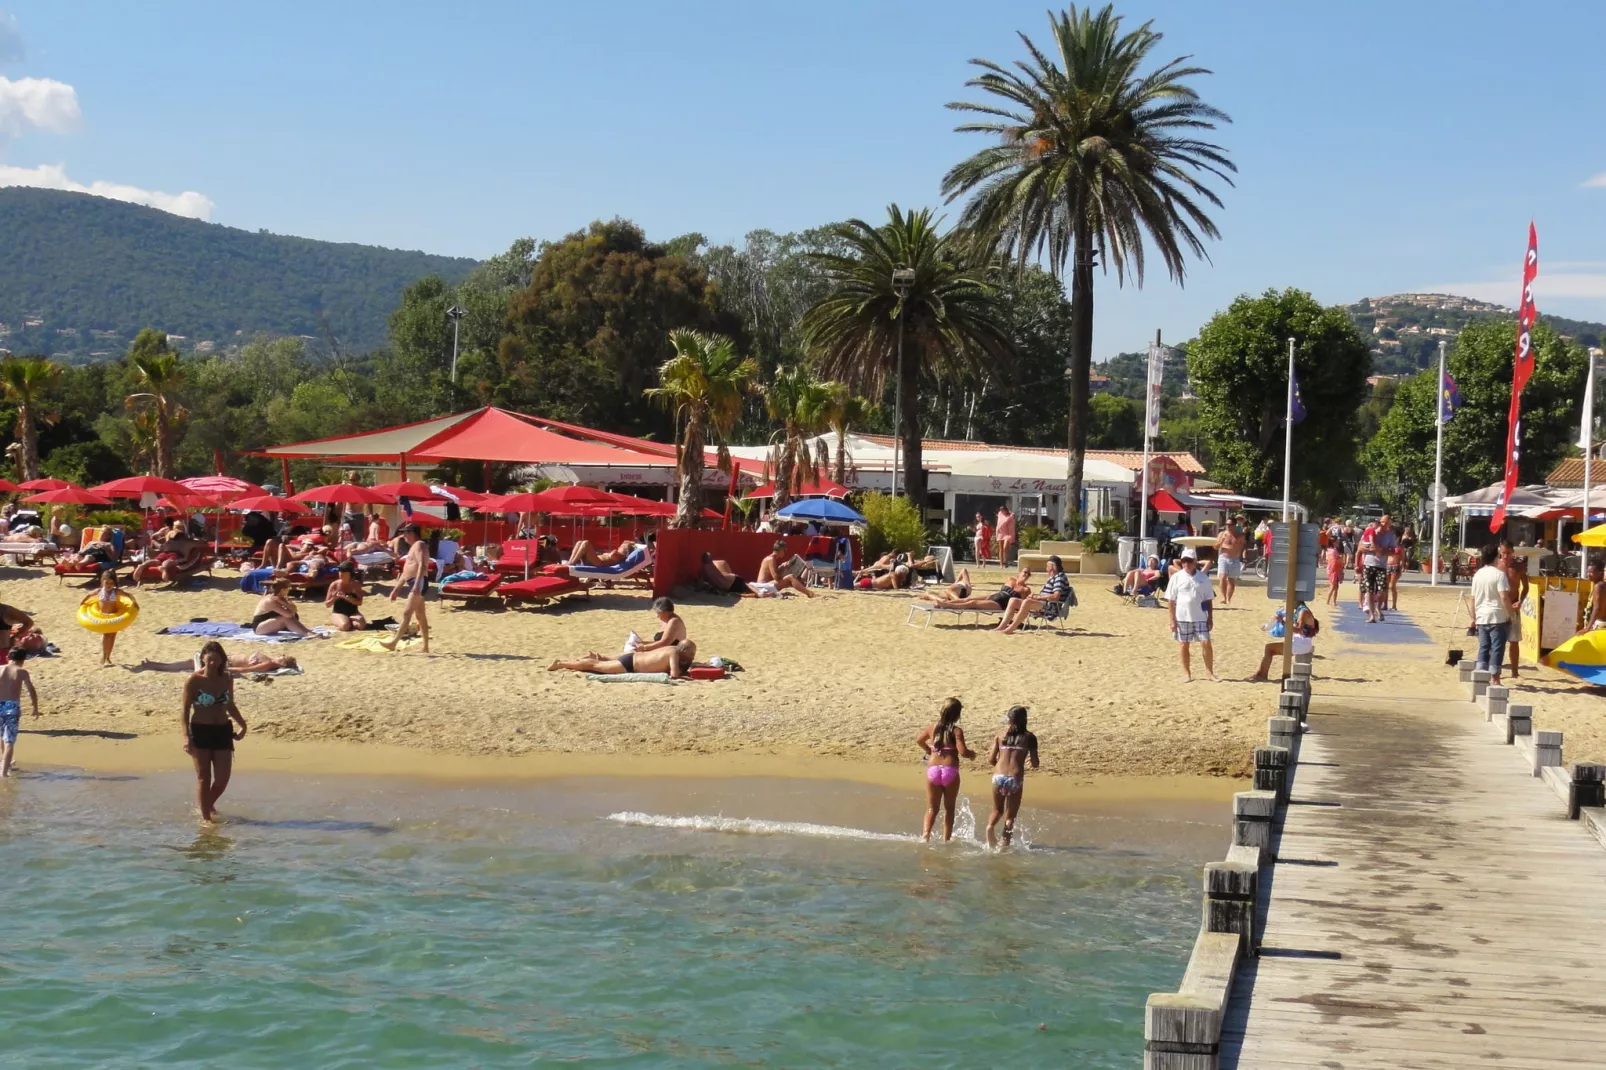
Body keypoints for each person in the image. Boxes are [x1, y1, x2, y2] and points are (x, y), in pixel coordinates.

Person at [183, 641, 248, 823]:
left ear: (222, 660)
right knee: (204, 777)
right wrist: (186, 736)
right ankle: (206, 819)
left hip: (222, 730)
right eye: (209, 660)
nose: (212, 663)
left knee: (222, 778)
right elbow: (185, 709)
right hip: (200, 731)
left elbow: (230, 704)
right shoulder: (194, 680)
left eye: (216, 660)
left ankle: (206, 804)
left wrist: (242, 724)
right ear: (203, 658)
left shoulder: (227, 678)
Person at [915, 697, 976, 842]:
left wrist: (929, 750)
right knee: (949, 809)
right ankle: (946, 839)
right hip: (950, 771)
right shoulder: (956, 731)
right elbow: (962, 752)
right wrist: (972, 754)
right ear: (957, 714)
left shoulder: (932, 728)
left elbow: (919, 740)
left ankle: (925, 835)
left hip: (933, 771)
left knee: (931, 808)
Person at [987, 705, 1039, 849]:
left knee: (997, 810)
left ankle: (990, 827)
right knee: (1010, 817)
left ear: (1009, 720)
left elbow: (991, 760)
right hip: (1015, 778)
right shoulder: (1030, 737)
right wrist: (1028, 761)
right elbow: (1035, 763)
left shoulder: (1000, 735)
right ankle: (1004, 845)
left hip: (998, 777)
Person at [1165, 548, 1217, 681]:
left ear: (1195, 562)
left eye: (1189, 561)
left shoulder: (1203, 578)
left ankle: (1210, 672)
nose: (1186, 564)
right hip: (1182, 616)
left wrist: (1210, 618)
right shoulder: (1176, 577)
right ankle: (1186, 673)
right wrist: (1172, 620)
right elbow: (1171, 601)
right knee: (1184, 644)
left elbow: (1208, 599)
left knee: (1206, 642)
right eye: (1184, 561)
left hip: (1200, 616)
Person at [380, 524, 431, 653]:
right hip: (414, 581)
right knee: (420, 616)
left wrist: (416, 584)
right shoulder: (413, 547)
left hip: (418, 581)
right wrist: (396, 589)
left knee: (407, 613)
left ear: (412, 533)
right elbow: (406, 571)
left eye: (405, 533)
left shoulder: (419, 544)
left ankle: (394, 642)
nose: (403, 536)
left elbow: (421, 565)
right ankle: (425, 647)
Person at [996, 555, 1070, 634]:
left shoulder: (1059, 577)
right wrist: (1034, 597)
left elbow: (1056, 596)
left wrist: (1038, 597)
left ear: (1051, 567)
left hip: (1050, 607)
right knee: (1013, 600)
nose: (1046, 569)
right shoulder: (1055, 577)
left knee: (1027, 602)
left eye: (1047, 566)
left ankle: (1011, 628)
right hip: (1044, 603)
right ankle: (1002, 626)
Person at [1470, 543, 1511, 686]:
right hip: (1497, 616)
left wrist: (1473, 617)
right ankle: (1495, 677)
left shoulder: (1477, 575)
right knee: (1497, 648)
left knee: (1484, 647)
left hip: (1482, 615)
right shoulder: (1499, 575)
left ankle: (1481, 675)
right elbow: (1504, 597)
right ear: (1496, 557)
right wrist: (1510, 614)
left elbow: (1473, 598)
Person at [547, 639, 697, 678]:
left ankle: (571, 661)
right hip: (630, 664)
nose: (692, 656)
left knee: (598, 664)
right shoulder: (674, 654)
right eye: (692, 653)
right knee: (595, 666)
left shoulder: (672, 650)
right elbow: (675, 674)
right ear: (683, 650)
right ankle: (561, 664)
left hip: (632, 659)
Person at [1251, 603, 1320, 681]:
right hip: (1303, 644)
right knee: (1270, 648)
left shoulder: (1303, 612)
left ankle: (1261, 675)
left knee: (1269, 648)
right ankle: (1260, 674)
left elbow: (1298, 630)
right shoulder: (1303, 610)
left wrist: (1283, 622)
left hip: (1300, 645)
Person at [0, 647, 39, 777]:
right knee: (9, 740)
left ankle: (7, 762)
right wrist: (35, 707)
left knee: (2, 735)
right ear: (23, 660)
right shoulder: (21, 671)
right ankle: (4, 773)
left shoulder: (0, 668)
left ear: (8, 658)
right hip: (11, 707)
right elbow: (31, 690)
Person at [932, 567, 1031, 612]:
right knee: (967, 599)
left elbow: (1023, 604)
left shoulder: (1026, 590)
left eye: (1028, 574)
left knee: (973, 603)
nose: (1026, 575)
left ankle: (948, 605)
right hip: (994, 596)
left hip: (1002, 604)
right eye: (1025, 572)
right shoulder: (1010, 579)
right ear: (1020, 573)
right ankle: (942, 603)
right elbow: (1001, 591)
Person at [1358, 514, 1396, 623]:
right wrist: (1367, 548)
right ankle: (1371, 615)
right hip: (1369, 564)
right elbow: (1360, 546)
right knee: (1369, 590)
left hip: (1381, 566)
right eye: (1382, 522)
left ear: (1390, 524)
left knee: (1382, 590)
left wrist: (1381, 550)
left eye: (1386, 523)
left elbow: (1393, 551)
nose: (1383, 524)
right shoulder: (1371, 531)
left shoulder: (1390, 536)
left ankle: (1379, 608)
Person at [93, 569, 129, 665]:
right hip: (104, 618)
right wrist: (82, 604)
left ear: (114, 583)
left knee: (112, 636)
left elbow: (128, 595)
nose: (109, 585)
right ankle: (104, 655)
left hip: (114, 618)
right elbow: (88, 596)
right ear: (102, 582)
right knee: (106, 636)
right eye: (106, 583)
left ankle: (108, 656)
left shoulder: (116, 592)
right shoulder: (99, 591)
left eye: (111, 583)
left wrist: (135, 604)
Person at [1506, 553, 1530, 680]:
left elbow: (1526, 587)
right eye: (1503, 553)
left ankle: (1514, 671)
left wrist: (1520, 601)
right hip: (1500, 607)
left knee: (1514, 641)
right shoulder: (1498, 565)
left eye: (1508, 552)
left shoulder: (1519, 567)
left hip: (1514, 606)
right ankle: (1494, 670)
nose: (1506, 556)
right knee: (1496, 640)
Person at [325, 561, 368, 631]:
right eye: (340, 572)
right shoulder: (334, 584)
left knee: (361, 626)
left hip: (353, 612)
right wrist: (334, 598)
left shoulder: (356, 585)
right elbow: (327, 604)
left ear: (350, 574)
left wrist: (349, 599)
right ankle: (338, 621)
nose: (340, 574)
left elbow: (359, 603)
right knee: (345, 626)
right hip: (338, 612)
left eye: (343, 573)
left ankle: (348, 620)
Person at [1215, 516, 1245, 605]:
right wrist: (1221, 541)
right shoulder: (1222, 534)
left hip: (1234, 559)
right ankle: (1224, 597)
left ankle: (1228, 599)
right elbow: (1215, 546)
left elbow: (1242, 546)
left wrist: (1240, 554)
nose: (1228, 526)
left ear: (1234, 525)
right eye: (1227, 524)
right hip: (1224, 558)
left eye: (1230, 524)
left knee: (1231, 580)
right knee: (1222, 577)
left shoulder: (1239, 535)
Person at [567, 538, 640, 567]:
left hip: (598, 563)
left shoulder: (621, 556)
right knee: (579, 542)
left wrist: (613, 552)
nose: (619, 547)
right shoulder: (619, 554)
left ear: (625, 550)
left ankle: (572, 562)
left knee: (586, 543)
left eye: (621, 546)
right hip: (594, 561)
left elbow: (611, 556)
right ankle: (571, 561)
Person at [1579, 561, 1606, 633]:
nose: (1588, 574)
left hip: (1599, 625)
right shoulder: (1603, 585)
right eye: (1587, 572)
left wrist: (1588, 628)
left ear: (1600, 573)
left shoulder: (1599, 587)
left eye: (1591, 572)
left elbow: (1597, 608)